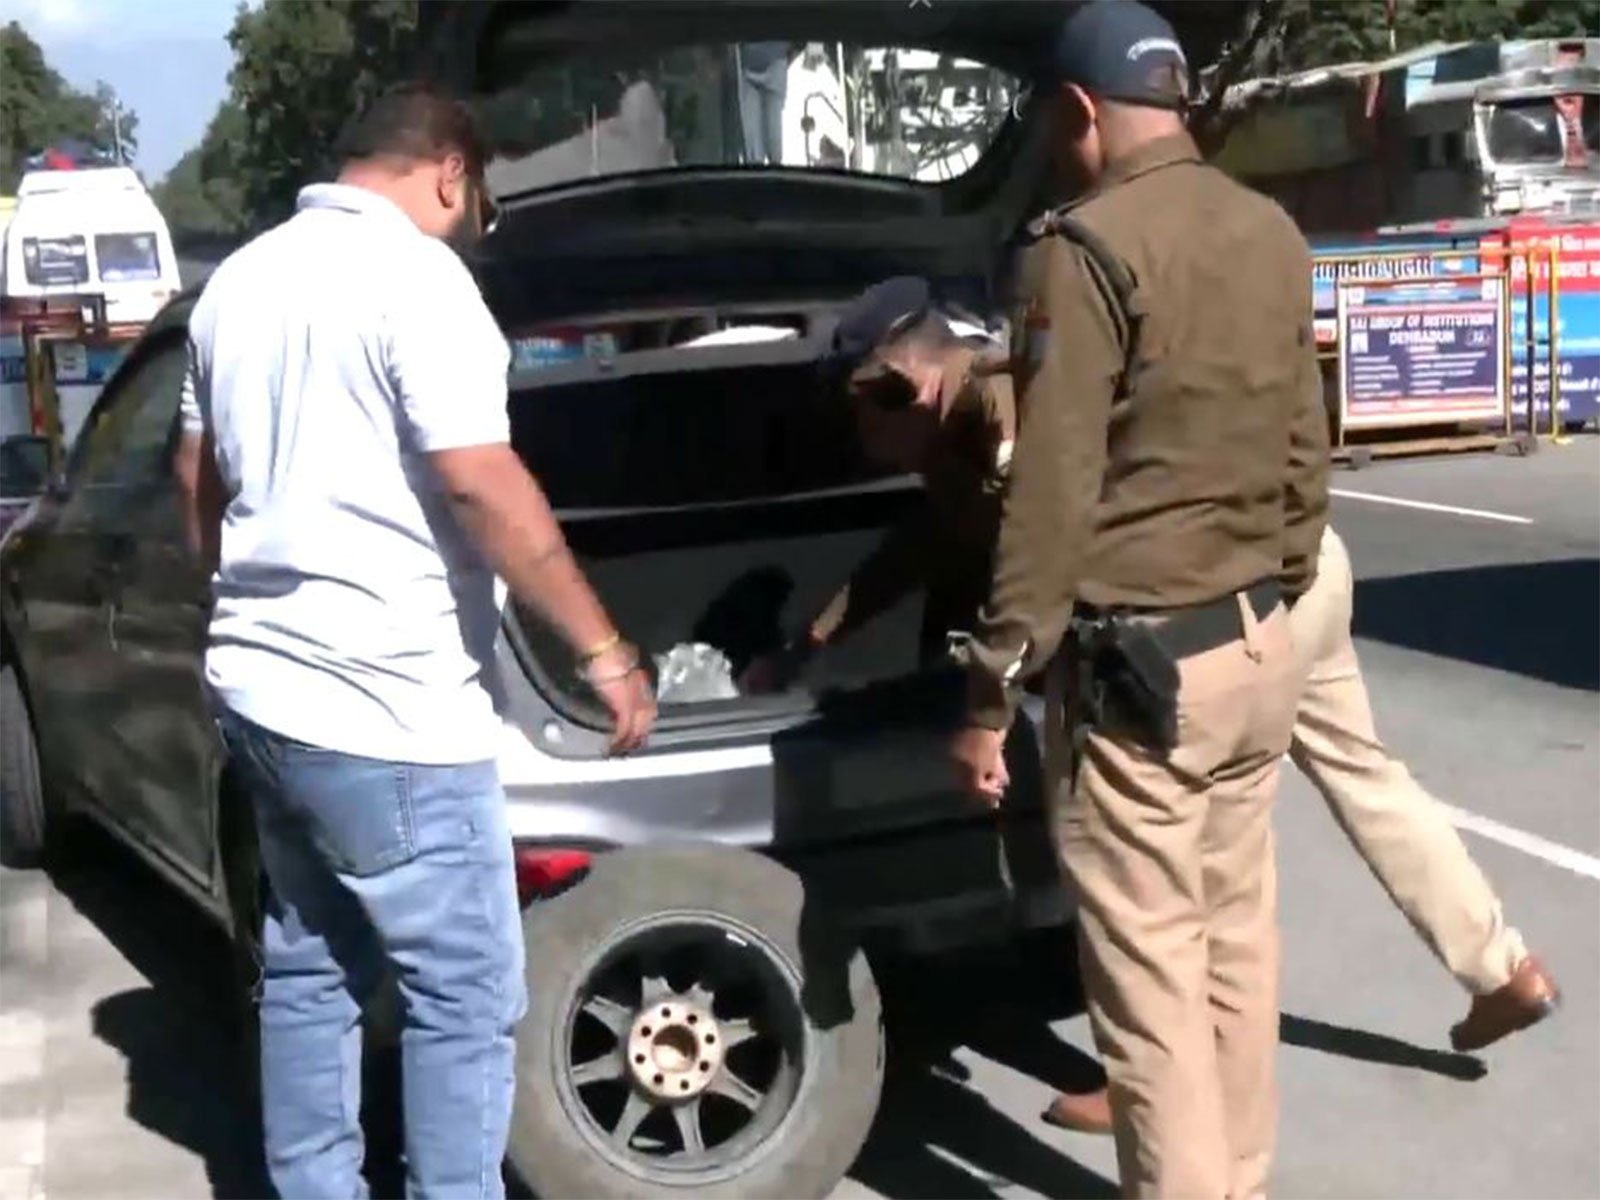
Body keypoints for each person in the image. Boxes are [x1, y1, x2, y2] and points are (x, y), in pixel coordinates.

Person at [173, 83, 657, 1199]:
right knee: (465, 992)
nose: (473, 223)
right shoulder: (420, 280)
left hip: (263, 699)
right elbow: (478, 479)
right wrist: (603, 649)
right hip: (386, 712)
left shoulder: (237, 283)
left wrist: (247, 606)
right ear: (450, 172)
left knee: (310, 966)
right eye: (478, 201)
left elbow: (196, 483)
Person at [946, 3, 1330, 1197]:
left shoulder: (1086, 249)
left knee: (1152, 987)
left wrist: (990, 687)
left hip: (1140, 681)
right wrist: (1277, 582)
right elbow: (1306, 446)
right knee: (1234, 953)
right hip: (1256, 646)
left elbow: (1051, 493)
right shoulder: (1267, 228)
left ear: (1076, 110)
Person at [1044, 522, 1563, 1137]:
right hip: (1307, 559)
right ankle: (1502, 967)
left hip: (1213, 594)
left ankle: (1154, 1083)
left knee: (1167, 826)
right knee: (1364, 771)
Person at [741, 276, 1015, 690]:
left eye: (864, 417)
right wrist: (805, 646)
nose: (866, 442)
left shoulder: (1003, 413)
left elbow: (1036, 570)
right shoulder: (948, 441)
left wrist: (989, 706)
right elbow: (917, 548)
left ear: (904, 387)